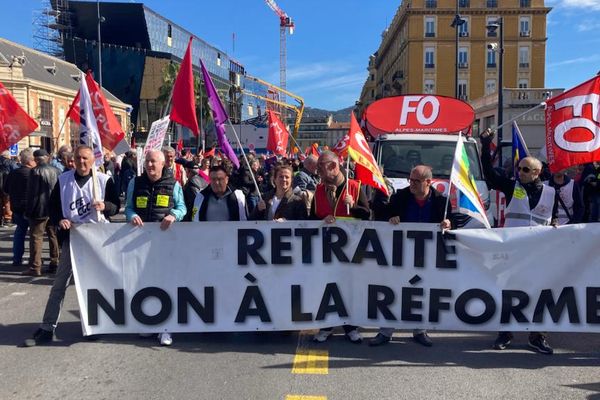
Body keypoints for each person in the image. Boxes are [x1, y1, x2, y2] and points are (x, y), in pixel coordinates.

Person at [22, 145, 120, 347]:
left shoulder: (103, 180)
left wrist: (106, 206)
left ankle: (94, 324)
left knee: (94, 285)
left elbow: (115, 205)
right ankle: (48, 326)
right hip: (71, 239)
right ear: (72, 160)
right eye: (78, 158)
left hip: (96, 241)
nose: (82, 162)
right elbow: (53, 206)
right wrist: (59, 220)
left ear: (93, 160)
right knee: (59, 284)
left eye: (85, 158)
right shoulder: (63, 180)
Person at [480, 128, 557, 354]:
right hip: (513, 253)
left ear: (537, 172)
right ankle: (505, 332)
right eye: (519, 168)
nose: (520, 172)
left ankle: (537, 336)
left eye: (525, 169)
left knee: (541, 293)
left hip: (540, 254)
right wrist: (486, 145)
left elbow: (559, 219)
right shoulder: (512, 186)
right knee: (509, 292)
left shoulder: (551, 193)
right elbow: (490, 174)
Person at [369, 165, 451, 348]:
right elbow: (383, 215)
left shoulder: (441, 201)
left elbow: (451, 224)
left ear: (428, 182)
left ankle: (420, 330)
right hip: (401, 254)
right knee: (394, 290)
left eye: (416, 181)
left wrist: (448, 223)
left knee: (422, 292)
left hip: (427, 256)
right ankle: (385, 332)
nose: (411, 184)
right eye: (410, 179)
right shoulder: (400, 197)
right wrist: (392, 218)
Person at [125, 149, 186, 346]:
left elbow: (182, 208)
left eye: (154, 162)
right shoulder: (135, 182)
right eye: (148, 162)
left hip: (165, 243)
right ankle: (149, 323)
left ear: (162, 164)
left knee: (166, 283)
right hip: (140, 244)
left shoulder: (173, 184)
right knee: (145, 283)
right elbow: (127, 207)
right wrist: (131, 215)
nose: (150, 165)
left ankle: (166, 327)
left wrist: (174, 215)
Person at [310, 151, 370, 344]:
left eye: (321, 166)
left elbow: (369, 215)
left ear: (334, 166)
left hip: (350, 251)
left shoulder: (354, 187)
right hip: (325, 251)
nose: (318, 170)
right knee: (326, 289)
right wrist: (321, 220)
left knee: (349, 288)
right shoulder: (318, 190)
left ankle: (350, 326)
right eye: (318, 167)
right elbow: (311, 219)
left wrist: (352, 207)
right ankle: (326, 326)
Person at [24, 149, 60, 276]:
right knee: (53, 236)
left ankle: (35, 266)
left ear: (36, 159)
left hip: (39, 209)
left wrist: (29, 211)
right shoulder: (57, 171)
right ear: (47, 158)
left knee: (36, 238)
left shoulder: (35, 172)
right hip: (53, 208)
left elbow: (32, 194)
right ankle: (55, 262)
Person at [4, 148, 36, 266]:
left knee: (20, 232)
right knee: (34, 234)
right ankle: (34, 259)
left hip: (17, 207)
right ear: (30, 161)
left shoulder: (13, 173)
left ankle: (17, 258)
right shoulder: (33, 173)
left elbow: (6, 189)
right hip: (31, 208)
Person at [0, 149, 18, 226]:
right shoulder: (10, 162)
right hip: (7, 185)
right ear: (7, 156)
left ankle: (1, 219)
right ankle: (8, 219)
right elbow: (17, 171)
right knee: (7, 202)